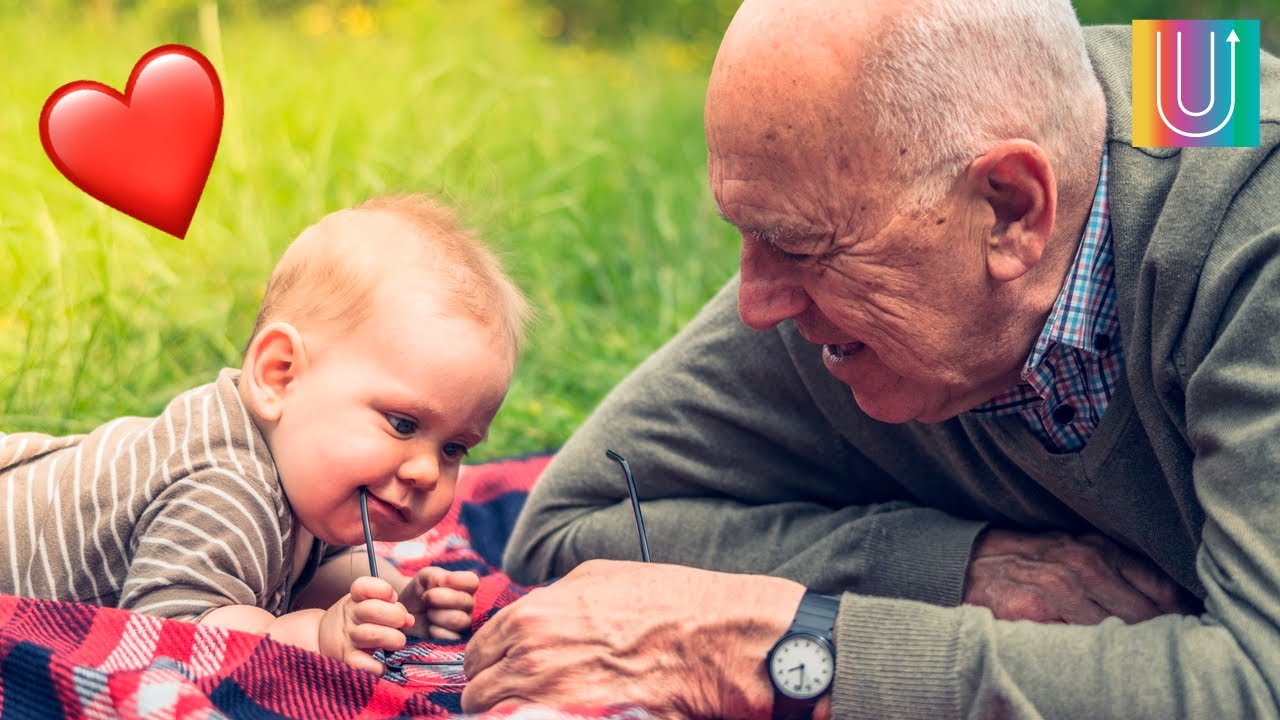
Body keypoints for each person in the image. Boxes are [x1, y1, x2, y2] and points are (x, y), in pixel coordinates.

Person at [462, 0, 1280, 717]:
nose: (757, 306)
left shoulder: (1253, 208)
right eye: (749, 235)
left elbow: (1260, 683)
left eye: (798, 245)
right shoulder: (911, 186)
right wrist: (946, 568)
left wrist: (780, 649)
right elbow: (573, 527)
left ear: (1010, 210)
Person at [0, 194, 531, 676]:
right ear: (280, 375)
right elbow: (174, 636)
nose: (425, 470)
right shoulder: (227, 490)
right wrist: (310, 636)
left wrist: (397, 602)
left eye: (453, 448)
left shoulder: (307, 468)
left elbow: (308, 567)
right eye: (402, 424)